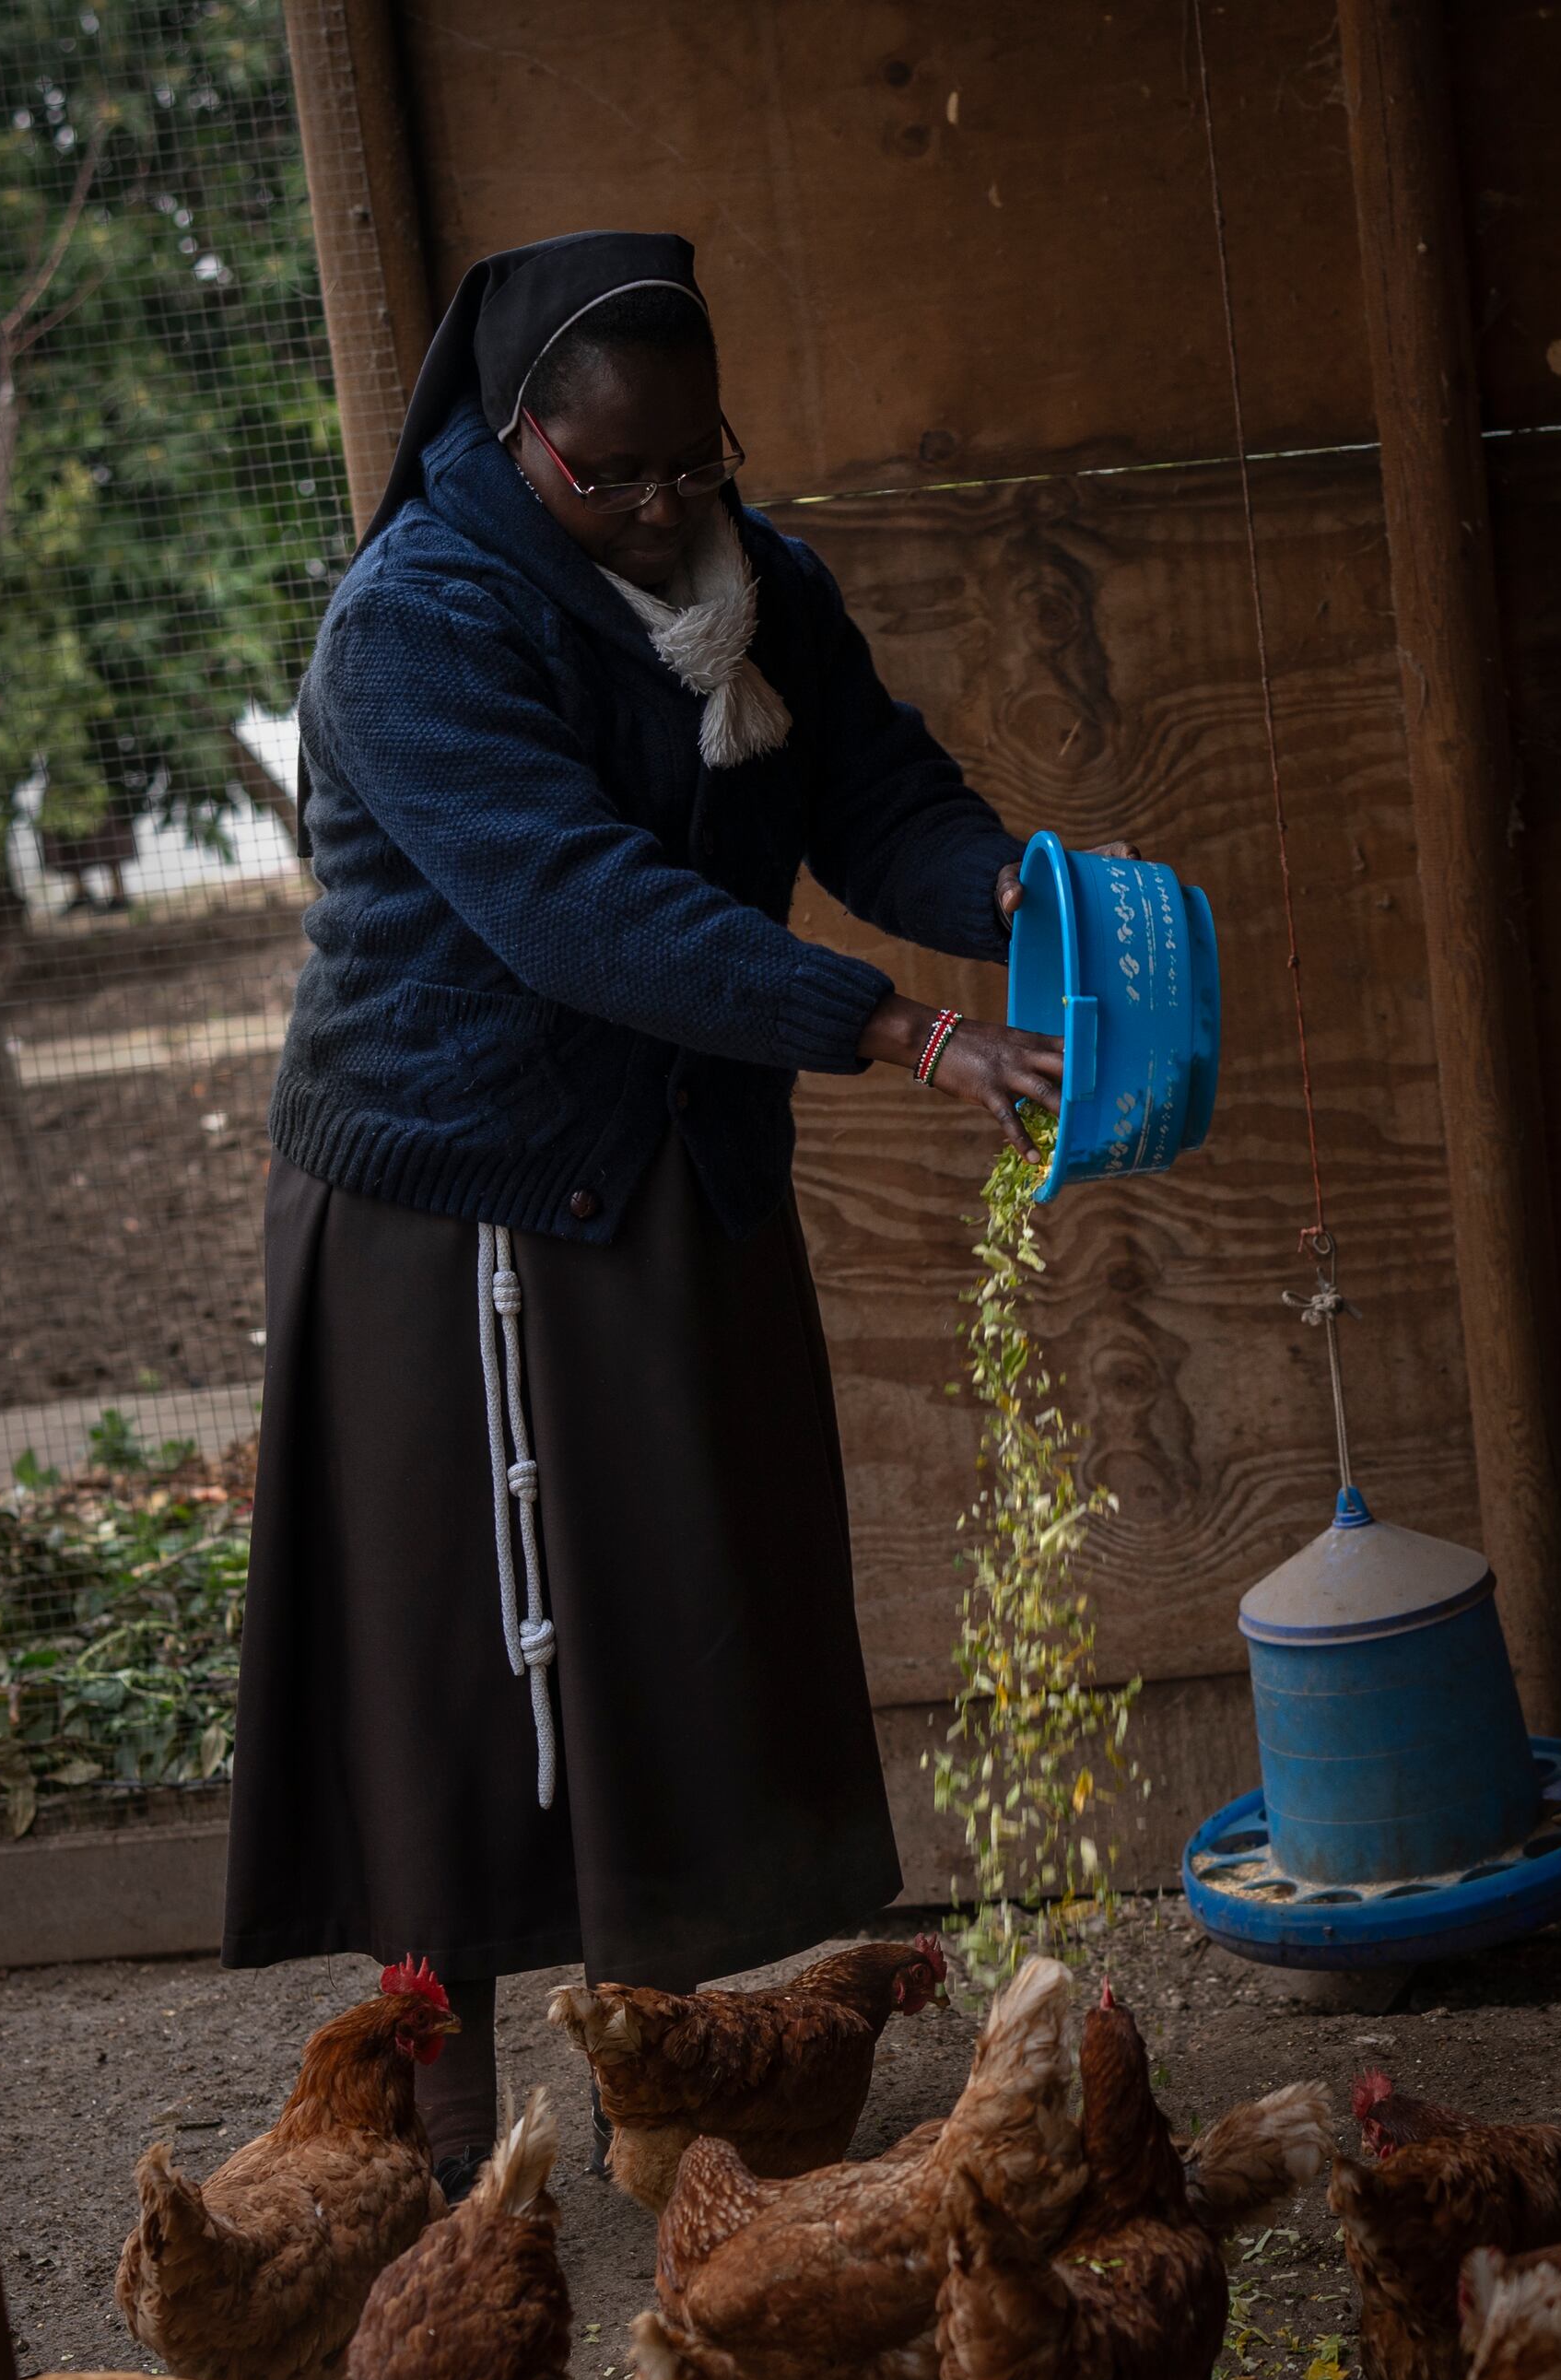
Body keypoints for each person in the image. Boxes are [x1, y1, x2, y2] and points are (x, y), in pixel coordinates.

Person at [224, 229, 1108, 2189]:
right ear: (513, 428)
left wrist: (1014, 894)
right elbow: (576, 910)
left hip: (674, 1155)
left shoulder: (758, 580)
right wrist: (894, 1027)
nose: (649, 510)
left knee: (698, 1608)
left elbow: (875, 796)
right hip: (456, 1194)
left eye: (684, 467)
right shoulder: (417, 618)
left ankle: (683, 2095)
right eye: (601, 476)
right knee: (469, 1656)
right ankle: (429, 2128)